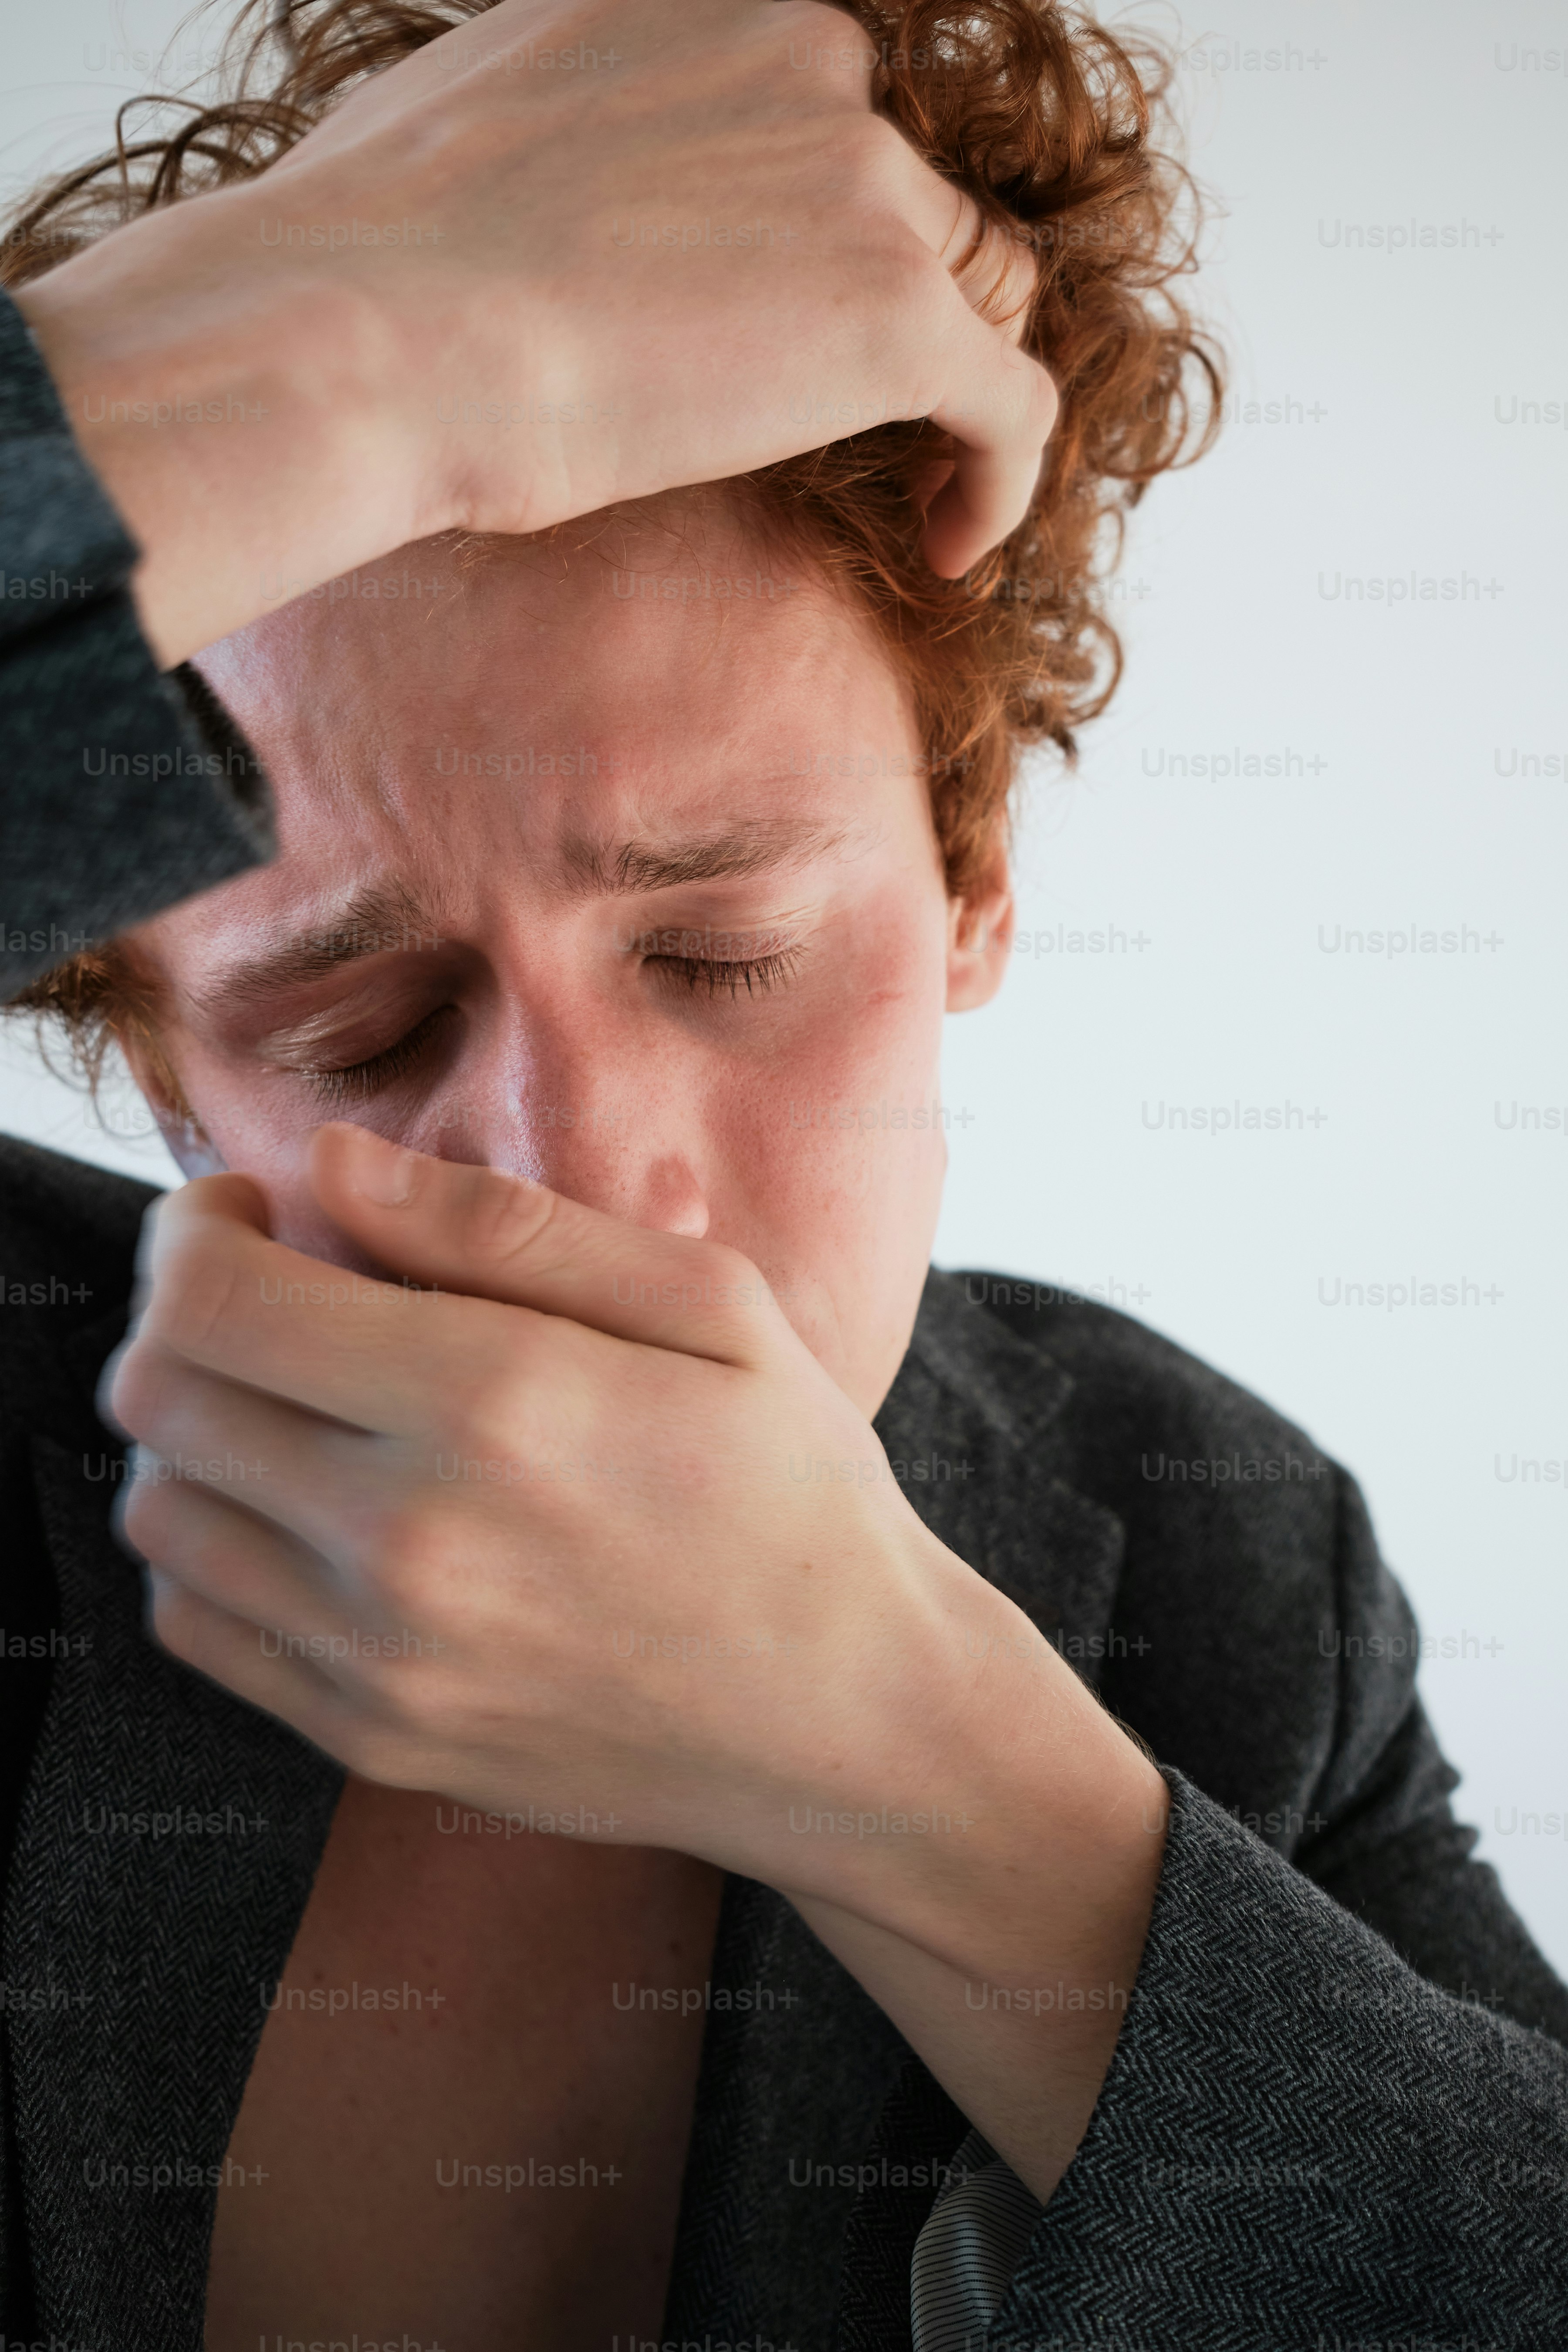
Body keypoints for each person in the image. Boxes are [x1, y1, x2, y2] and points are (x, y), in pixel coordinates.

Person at [1, 3, 1565, 2349]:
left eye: (720, 950)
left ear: (966, 876)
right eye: (361, 1027)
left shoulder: (1230, 1571)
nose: (581, 1166)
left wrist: (913, 1759)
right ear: (153, 1076)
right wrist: (366, 324)